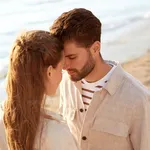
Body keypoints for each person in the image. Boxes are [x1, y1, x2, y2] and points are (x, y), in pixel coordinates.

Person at [50, 8, 150, 150]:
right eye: (61, 57)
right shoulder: (67, 83)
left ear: (95, 48)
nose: (65, 66)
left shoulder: (138, 99)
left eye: (72, 57)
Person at [0, 30, 78, 150]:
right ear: (50, 72)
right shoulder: (55, 133)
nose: (62, 75)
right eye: (61, 68)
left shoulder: (3, 120)